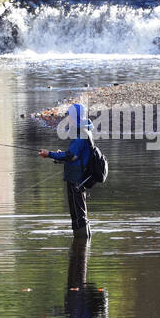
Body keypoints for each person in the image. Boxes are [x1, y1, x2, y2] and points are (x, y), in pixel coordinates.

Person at [39, 102, 95, 238]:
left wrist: (50, 154)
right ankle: (81, 245)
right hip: (76, 177)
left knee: (78, 212)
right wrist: (59, 158)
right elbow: (74, 156)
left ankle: (82, 242)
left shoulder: (81, 133)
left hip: (77, 179)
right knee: (77, 212)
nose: (68, 118)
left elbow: (72, 156)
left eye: (70, 116)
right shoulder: (81, 130)